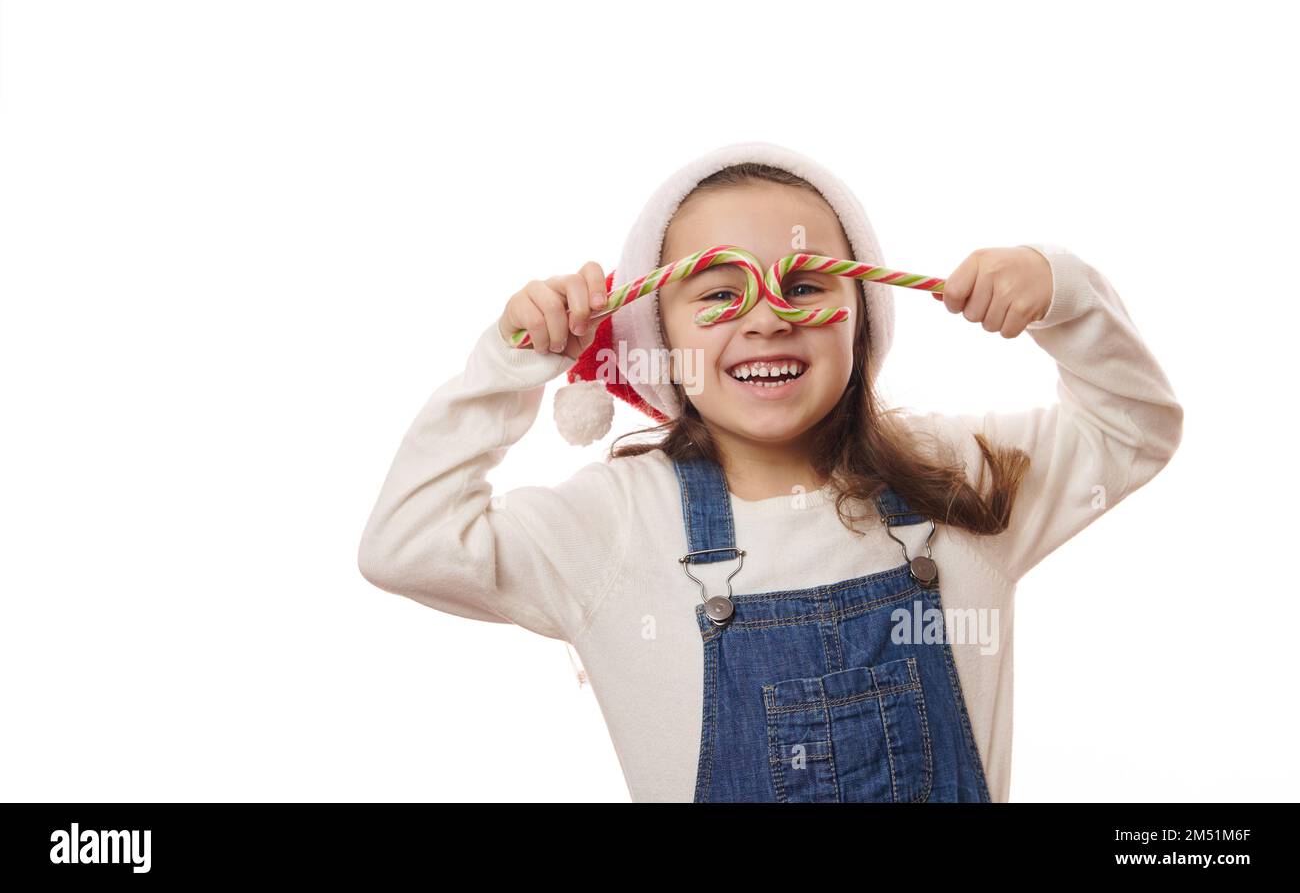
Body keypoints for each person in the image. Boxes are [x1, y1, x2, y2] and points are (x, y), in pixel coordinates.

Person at [356, 141, 1184, 802]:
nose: (766, 318)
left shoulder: (956, 480)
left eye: (805, 283)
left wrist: (1063, 290)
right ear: (658, 336)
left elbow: (1135, 429)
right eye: (717, 294)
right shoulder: (616, 526)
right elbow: (406, 544)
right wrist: (510, 362)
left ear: (861, 320)